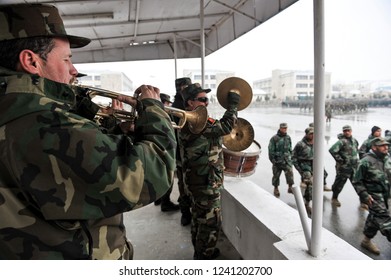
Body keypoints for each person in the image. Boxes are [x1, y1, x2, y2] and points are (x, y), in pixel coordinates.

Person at [0, 3, 176, 260]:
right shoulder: (49, 124)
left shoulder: (19, 112)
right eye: (67, 59)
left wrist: (111, 128)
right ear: (31, 61)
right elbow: (151, 175)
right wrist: (154, 110)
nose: (73, 70)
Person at [178, 83, 239, 260]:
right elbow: (227, 127)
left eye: (207, 99)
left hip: (198, 181)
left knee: (199, 219)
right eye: (202, 100)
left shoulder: (191, 121)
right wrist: (233, 105)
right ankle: (205, 256)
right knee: (211, 223)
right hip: (206, 183)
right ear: (190, 103)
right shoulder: (195, 123)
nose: (206, 103)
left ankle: (200, 251)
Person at [352, 137, 391, 255]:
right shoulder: (365, 161)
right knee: (385, 221)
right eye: (382, 146)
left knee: (375, 218)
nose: (386, 147)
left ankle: (366, 241)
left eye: (387, 145)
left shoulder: (387, 159)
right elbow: (357, 181)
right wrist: (364, 195)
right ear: (374, 147)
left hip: (386, 195)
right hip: (373, 196)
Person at [153, 93, 180, 211]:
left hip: (155, 150)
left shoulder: (150, 113)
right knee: (167, 177)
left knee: (158, 175)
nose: (169, 106)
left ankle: (158, 197)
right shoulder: (163, 115)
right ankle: (165, 202)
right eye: (167, 103)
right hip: (165, 149)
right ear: (163, 103)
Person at [172, 78, 193, 226]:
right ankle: (185, 214)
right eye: (184, 87)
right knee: (184, 186)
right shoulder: (178, 107)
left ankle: (187, 213)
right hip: (181, 154)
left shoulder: (190, 103)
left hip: (189, 154)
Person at [329, 125, 360, 208]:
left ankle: (363, 201)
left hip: (354, 167)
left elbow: (357, 151)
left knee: (358, 183)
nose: (347, 132)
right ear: (343, 132)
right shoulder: (341, 141)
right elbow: (332, 150)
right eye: (345, 131)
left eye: (348, 130)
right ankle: (334, 198)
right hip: (344, 168)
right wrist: (340, 160)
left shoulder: (354, 141)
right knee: (339, 183)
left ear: (351, 131)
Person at [268, 123, 294, 197]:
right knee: (276, 176)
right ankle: (276, 188)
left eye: (285, 128)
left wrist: (290, 158)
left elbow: (290, 149)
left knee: (290, 173)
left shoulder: (288, 137)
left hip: (286, 160)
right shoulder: (274, 138)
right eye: (283, 128)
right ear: (280, 128)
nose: (284, 129)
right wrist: (273, 160)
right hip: (277, 161)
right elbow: (271, 150)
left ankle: (290, 187)